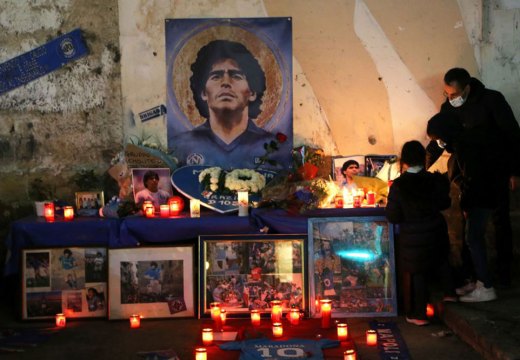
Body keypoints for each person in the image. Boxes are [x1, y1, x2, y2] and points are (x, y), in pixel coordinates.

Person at [426, 68, 520, 289]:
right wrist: (420, 166)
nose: (450, 99)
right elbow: (440, 139)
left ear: (466, 88)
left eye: (454, 94)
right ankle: (473, 275)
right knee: (468, 227)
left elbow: (513, 135)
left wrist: (515, 170)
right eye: (446, 94)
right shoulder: (448, 108)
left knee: (500, 221)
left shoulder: (492, 101)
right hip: (465, 175)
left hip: (496, 173)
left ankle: (502, 273)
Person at [172, 40, 290, 169]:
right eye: (216, 76)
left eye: (236, 76)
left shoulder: (275, 148)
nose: (226, 82)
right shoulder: (181, 145)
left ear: (252, 92)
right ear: (203, 92)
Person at [427, 112, 499, 302]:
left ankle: (486, 287)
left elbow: (472, 179)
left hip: (481, 197)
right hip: (482, 196)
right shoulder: (466, 141)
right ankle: (478, 282)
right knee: (472, 240)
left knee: (474, 239)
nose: (439, 143)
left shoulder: (466, 146)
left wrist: (467, 204)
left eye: (439, 139)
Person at [385, 140, 456, 325]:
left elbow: (393, 215)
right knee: (442, 260)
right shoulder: (434, 180)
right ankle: (450, 293)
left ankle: (419, 314)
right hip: (436, 229)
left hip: (413, 234)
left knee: (418, 271)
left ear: (404, 161)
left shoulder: (399, 186)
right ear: (424, 158)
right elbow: (445, 203)